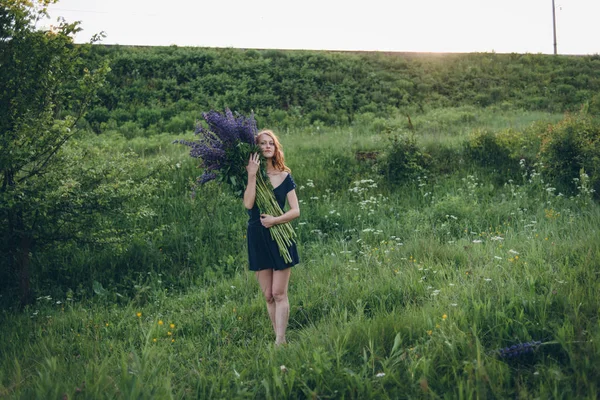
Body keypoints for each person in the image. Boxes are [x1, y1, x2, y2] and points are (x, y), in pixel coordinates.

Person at [243, 129, 300, 346]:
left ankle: (280, 340)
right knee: (268, 295)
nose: (267, 146)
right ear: (255, 149)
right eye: (263, 143)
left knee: (279, 292)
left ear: (276, 149)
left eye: (271, 144)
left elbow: (296, 211)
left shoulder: (284, 176)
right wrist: (251, 175)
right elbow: (248, 204)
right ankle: (280, 338)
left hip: (280, 236)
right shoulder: (250, 176)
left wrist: (275, 220)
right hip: (257, 236)